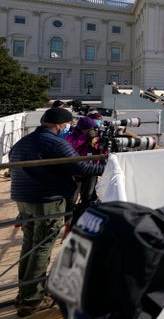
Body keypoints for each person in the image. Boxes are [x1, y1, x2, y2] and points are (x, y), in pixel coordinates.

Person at [10, 107, 106, 316]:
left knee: (29, 245)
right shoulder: (55, 143)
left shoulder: (23, 141)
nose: (68, 128)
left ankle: (25, 292)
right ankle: (32, 299)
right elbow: (82, 168)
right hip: (47, 200)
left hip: (24, 199)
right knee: (42, 247)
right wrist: (109, 165)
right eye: (67, 124)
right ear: (58, 125)